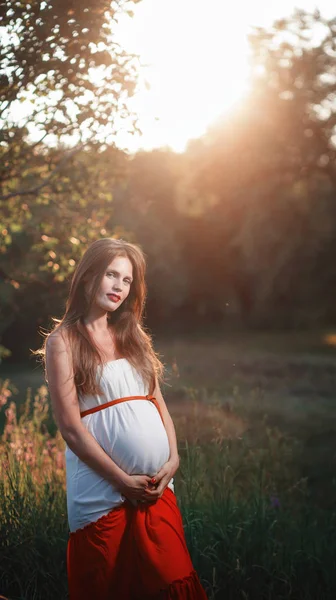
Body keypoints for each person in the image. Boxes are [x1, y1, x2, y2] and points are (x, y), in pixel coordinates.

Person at [38, 237, 208, 600]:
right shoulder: (63, 342)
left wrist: (173, 460)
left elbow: (157, 403)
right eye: (111, 274)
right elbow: (70, 427)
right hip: (102, 494)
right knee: (108, 586)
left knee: (171, 580)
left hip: (155, 489)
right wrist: (121, 481)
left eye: (127, 280)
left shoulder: (133, 337)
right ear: (87, 278)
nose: (118, 286)